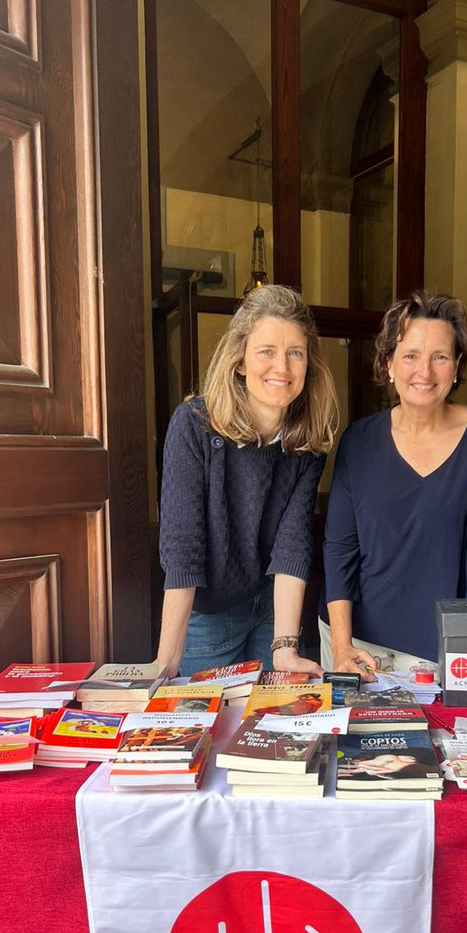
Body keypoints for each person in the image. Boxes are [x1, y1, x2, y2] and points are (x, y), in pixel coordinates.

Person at [321, 291, 467, 675]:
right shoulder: (358, 440)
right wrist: (342, 646)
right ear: (389, 364)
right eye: (410, 355)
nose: (424, 372)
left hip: (441, 654)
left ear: (457, 365)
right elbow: (340, 549)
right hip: (354, 646)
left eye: (440, 357)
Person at [155, 285, 338, 677]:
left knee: (275, 715)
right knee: (207, 714)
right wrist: (166, 661)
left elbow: (292, 544)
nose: (282, 368)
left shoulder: (307, 441)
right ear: (239, 360)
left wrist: (286, 647)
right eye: (266, 351)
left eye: (295, 353)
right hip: (210, 616)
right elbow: (183, 548)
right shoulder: (193, 425)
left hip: (273, 609)